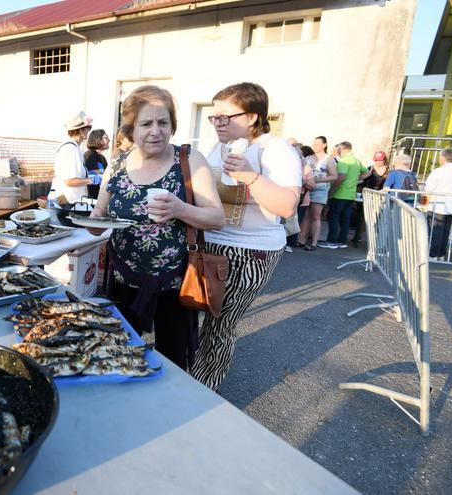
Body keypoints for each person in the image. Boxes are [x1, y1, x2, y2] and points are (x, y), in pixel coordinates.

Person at [88, 85, 224, 370]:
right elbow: (99, 212)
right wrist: (93, 222)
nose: (156, 131)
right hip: (123, 280)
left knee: (173, 361)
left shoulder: (188, 160)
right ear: (131, 129)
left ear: (173, 125)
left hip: (174, 285)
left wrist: (180, 209)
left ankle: (171, 413)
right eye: (146, 123)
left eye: (163, 122)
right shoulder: (116, 165)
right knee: (120, 355)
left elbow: (216, 218)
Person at [189, 82, 302, 390]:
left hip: (250, 252)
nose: (217, 123)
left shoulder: (275, 149)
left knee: (220, 324)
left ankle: (202, 390)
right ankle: (186, 376)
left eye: (225, 117)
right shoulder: (217, 148)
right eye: (215, 117)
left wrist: (251, 176)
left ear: (252, 117)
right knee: (192, 315)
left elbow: (287, 205)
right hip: (208, 245)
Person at [319, 141, 369, 249]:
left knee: (334, 217)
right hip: (351, 194)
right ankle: (342, 241)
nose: (338, 151)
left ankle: (332, 240)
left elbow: (341, 177)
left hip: (340, 193)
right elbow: (367, 173)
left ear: (343, 149)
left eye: (339, 149)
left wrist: (332, 190)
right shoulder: (356, 161)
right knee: (345, 219)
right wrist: (356, 179)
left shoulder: (344, 161)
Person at [48, 111, 100, 205]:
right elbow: (69, 181)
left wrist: (88, 174)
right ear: (81, 130)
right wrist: (91, 180)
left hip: (70, 201)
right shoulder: (71, 149)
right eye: (88, 128)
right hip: (67, 202)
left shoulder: (75, 147)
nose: (89, 131)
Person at [296, 136, 338, 251]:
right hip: (308, 188)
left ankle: (314, 242)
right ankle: (302, 239)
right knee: (305, 215)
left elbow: (334, 176)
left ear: (324, 145)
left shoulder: (328, 159)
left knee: (315, 215)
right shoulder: (309, 158)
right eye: (314, 144)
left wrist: (318, 180)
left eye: (318, 144)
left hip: (320, 189)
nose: (315, 146)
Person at [352, 150, 389, 247]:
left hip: (382, 197)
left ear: (384, 160)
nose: (377, 162)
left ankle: (376, 240)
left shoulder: (389, 171)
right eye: (376, 160)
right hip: (367, 195)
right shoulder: (370, 169)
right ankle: (357, 237)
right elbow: (362, 181)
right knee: (362, 218)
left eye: (379, 160)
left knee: (378, 219)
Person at [83, 129, 110, 199]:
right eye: (106, 137)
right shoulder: (89, 155)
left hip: (98, 198)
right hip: (90, 200)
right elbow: (89, 177)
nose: (109, 140)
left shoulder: (102, 157)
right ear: (98, 139)